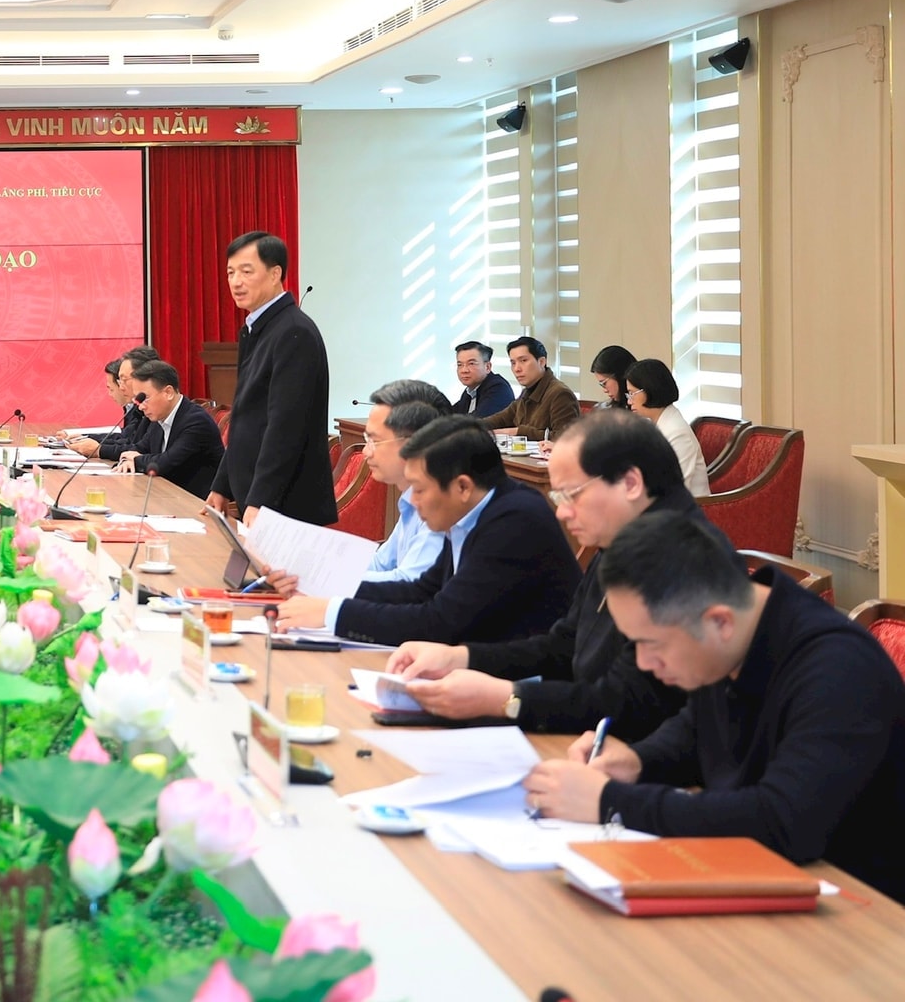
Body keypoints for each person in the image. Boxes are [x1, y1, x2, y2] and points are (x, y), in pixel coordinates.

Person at [522, 513, 905, 902]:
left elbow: (784, 821)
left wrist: (609, 802)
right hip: (770, 884)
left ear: (720, 622)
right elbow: (697, 730)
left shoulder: (839, 669)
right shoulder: (736, 635)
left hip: (862, 907)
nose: (643, 663)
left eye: (651, 643)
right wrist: (638, 761)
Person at [388, 411, 698, 738]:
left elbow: (630, 703)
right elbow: (564, 645)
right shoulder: (625, 535)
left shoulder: (682, 559)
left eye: (571, 495)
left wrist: (507, 699)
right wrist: (459, 657)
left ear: (630, 483)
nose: (562, 512)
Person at [274, 416, 577, 645]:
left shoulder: (514, 521)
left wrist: (333, 613)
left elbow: (441, 621)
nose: (413, 502)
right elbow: (420, 591)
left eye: (419, 490)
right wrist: (323, 589)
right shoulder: (471, 511)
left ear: (462, 486)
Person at [208, 232, 335, 526]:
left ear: (275, 273)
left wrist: (261, 501)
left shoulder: (294, 332)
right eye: (230, 272)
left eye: (246, 271)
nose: (236, 282)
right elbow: (245, 417)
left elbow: (286, 426)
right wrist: (222, 485)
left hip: (285, 505)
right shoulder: (256, 330)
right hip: (260, 498)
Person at [353, 380, 453, 585]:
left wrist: (332, 582)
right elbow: (381, 564)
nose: (365, 452)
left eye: (374, 441)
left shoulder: (444, 503)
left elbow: (410, 584)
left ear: (414, 444)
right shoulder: (411, 497)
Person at [112, 359, 225, 498]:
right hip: (166, 494)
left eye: (145, 398)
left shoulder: (196, 421)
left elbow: (165, 463)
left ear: (168, 392)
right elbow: (139, 448)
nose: (140, 407)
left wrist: (135, 460)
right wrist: (125, 460)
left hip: (195, 501)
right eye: (138, 399)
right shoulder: (159, 417)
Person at [623, 358, 711, 496]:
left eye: (632, 393)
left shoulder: (677, 433)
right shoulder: (652, 425)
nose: (629, 401)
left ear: (650, 389)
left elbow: (674, 491)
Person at [62, 348, 159, 461]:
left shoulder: (158, 411)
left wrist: (99, 450)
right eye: (119, 381)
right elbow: (131, 441)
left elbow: (143, 451)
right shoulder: (141, 408)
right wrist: (87, 440)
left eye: (124, 380)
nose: (121, 387)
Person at [482, 336, 580, 440]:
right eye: (513, 363)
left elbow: (566, 438)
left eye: (523, 360)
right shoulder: (527, 391)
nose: (517, 369)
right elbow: (500, 419)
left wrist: (518, 432)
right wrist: (472, 426)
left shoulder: (560, 393)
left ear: (541, 362)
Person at [451, 341, 513, 417]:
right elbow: (450, 414)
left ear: (487, 367)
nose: (464, 370)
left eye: (471, 363)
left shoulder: (498, 388)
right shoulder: (469, 392)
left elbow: (478, 420)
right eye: (460, 365)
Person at [588, 345, 637, 411]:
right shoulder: (603, 409)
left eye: (604, 383)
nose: (605, 390)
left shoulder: (642, 408)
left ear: (620, 375)